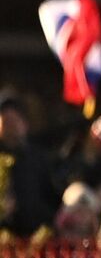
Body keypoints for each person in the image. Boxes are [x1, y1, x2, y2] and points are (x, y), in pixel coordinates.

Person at [0, 94, 61, 236]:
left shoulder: (39, 158)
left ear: (25, 124)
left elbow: (53, 195)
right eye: (6, 122)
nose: (11, 127)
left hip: (36, 237)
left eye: (15, 121)